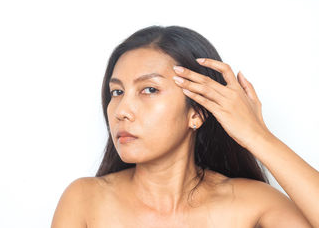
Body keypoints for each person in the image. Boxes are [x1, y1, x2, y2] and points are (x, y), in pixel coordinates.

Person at [51, 25, 319, 227]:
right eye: (117, 92)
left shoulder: (254, 205)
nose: (122, 111)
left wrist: (258, 137)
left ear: (197, 113)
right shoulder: (85, 201)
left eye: (149, 89)